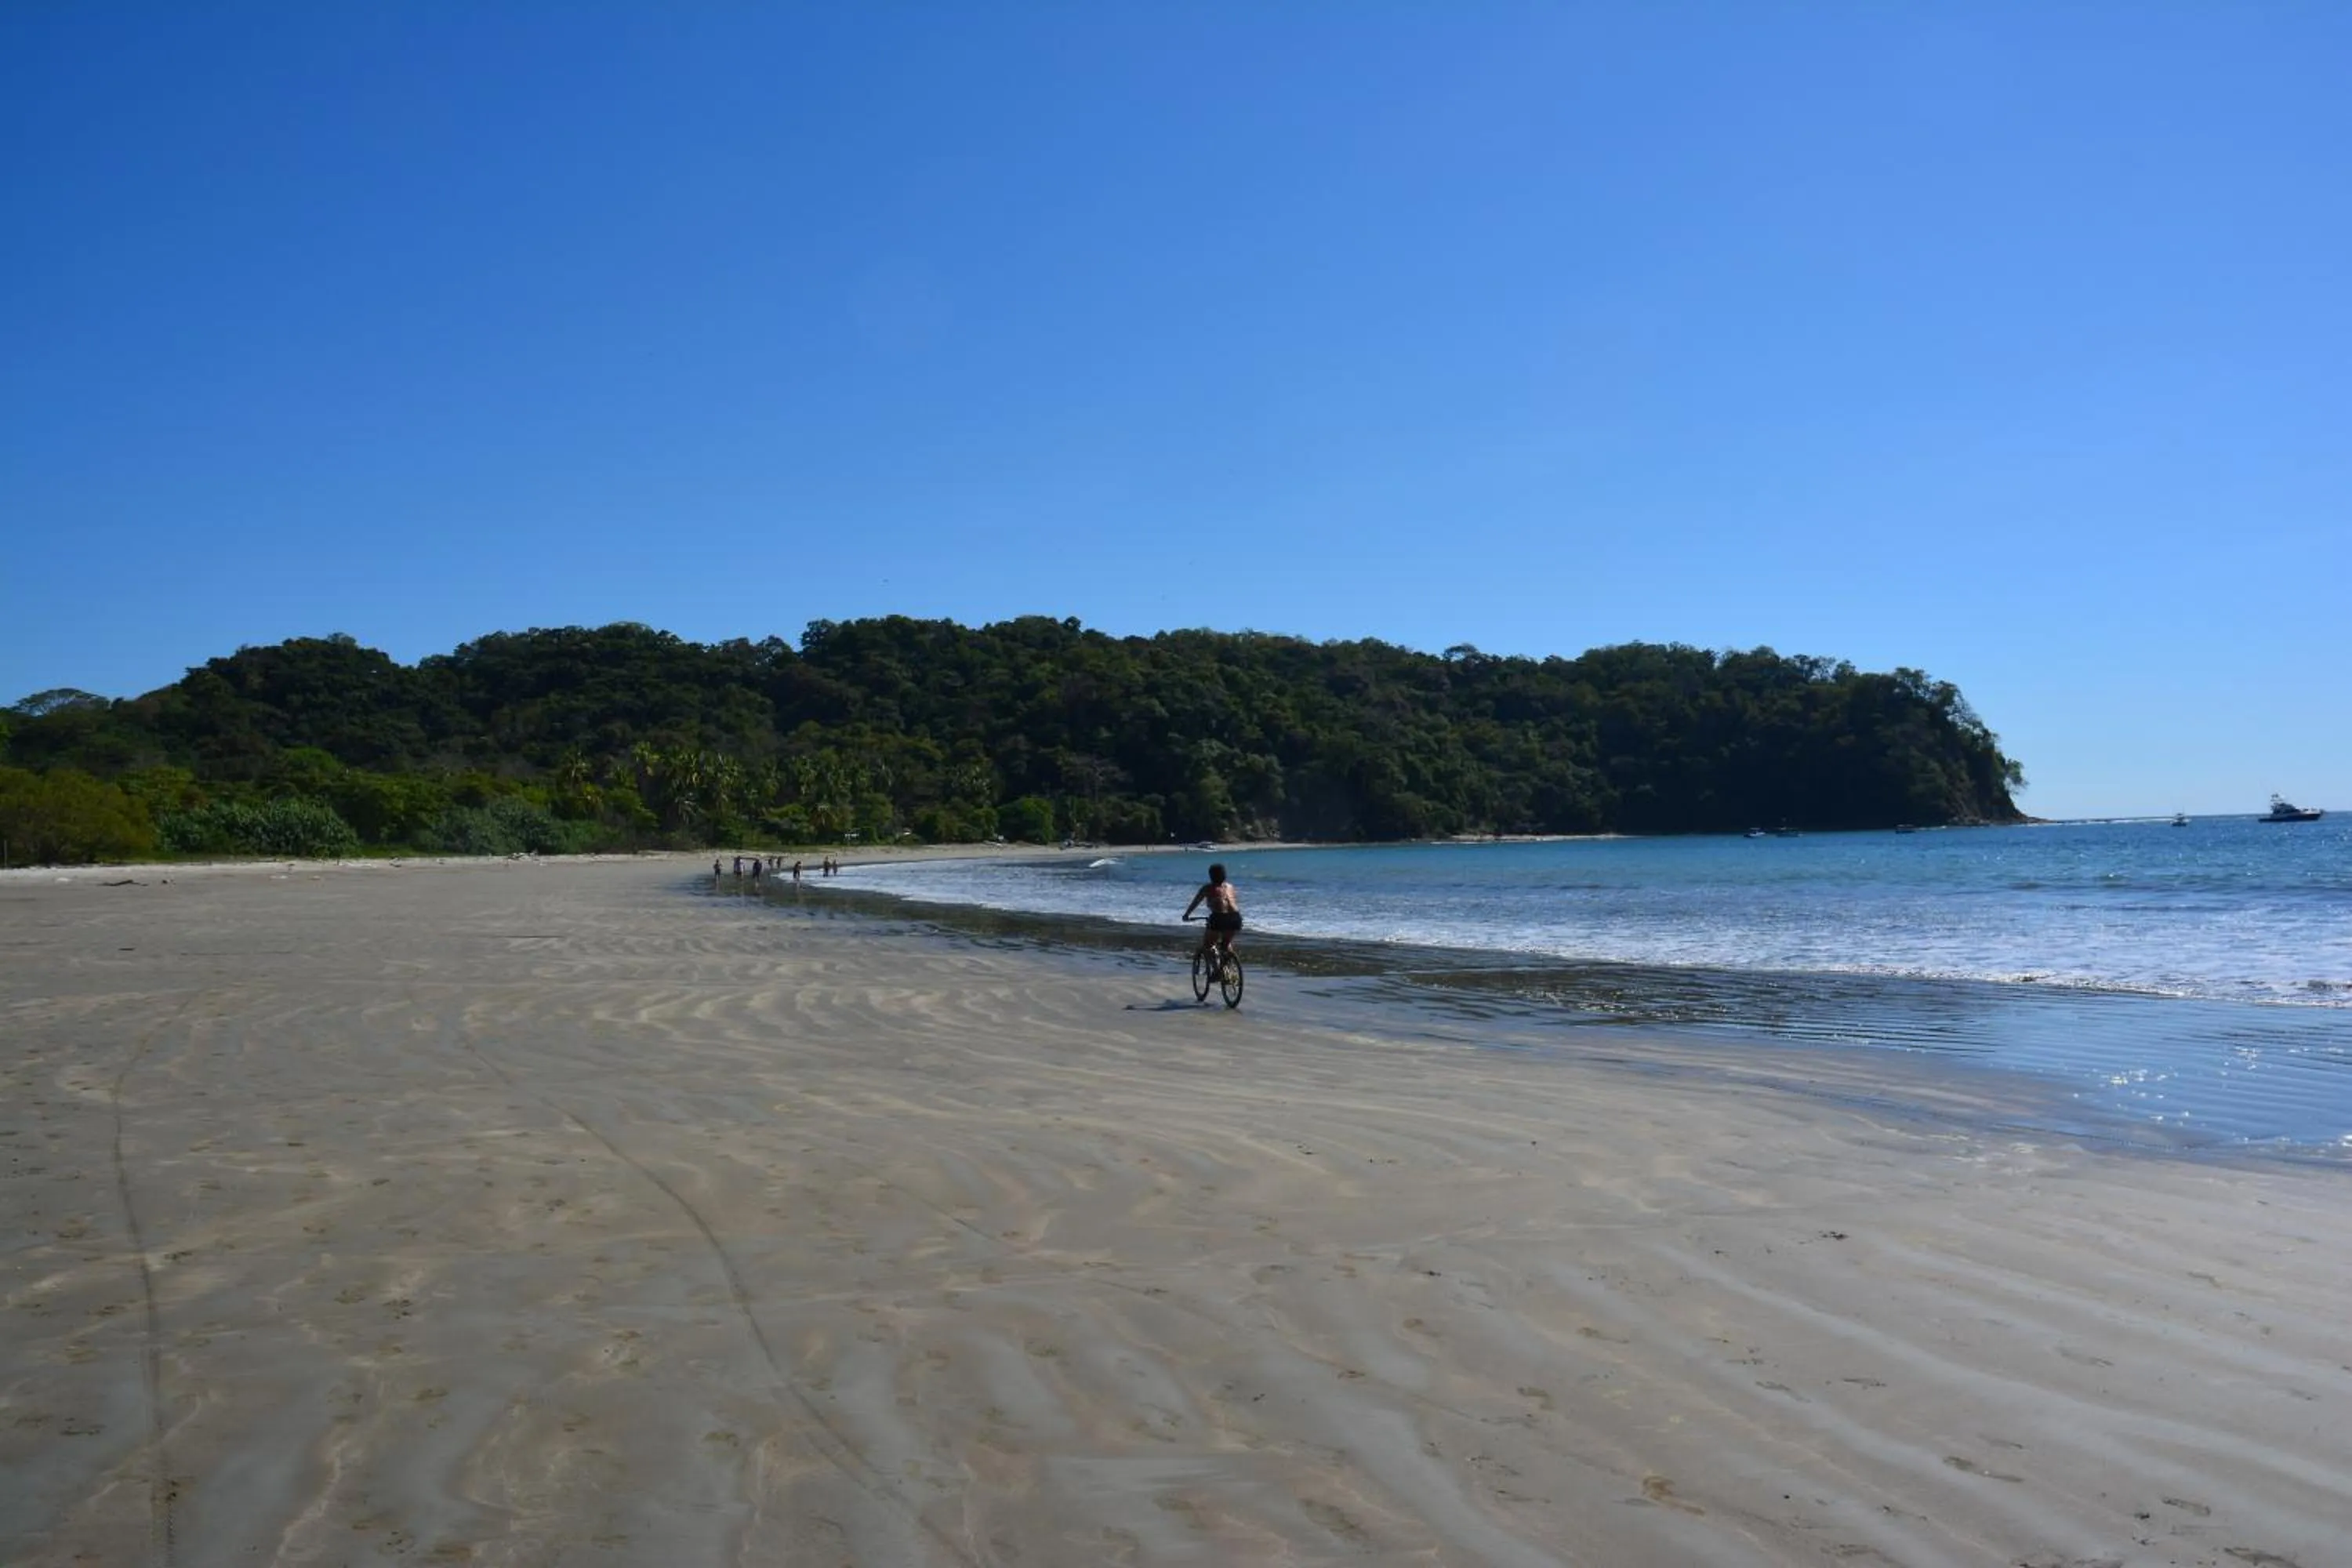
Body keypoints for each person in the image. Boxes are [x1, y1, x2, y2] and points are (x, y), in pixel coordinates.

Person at [1182, 862, 1243, 975]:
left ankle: (1217, 971)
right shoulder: (1230, 887)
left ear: (1211, 876)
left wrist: (1186, 915)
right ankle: (1229, 964)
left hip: (1219, 918)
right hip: (1235, 917)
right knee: (1226, 943)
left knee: (1207, 946)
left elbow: (1195, 902)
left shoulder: (1207, 888)